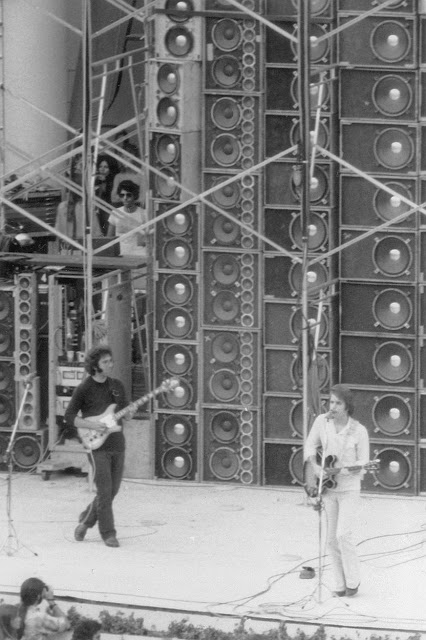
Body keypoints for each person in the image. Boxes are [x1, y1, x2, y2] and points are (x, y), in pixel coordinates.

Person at [64, 345, 134, 548]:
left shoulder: (117, 386)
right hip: (97, 446)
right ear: (95, 366)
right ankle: (108, 533)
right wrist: (91, 424)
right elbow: (69, 417)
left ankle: (86, 520)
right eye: (105, 362)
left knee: (113, 490)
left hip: (117, 443)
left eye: (110, 360)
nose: (110, 364)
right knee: (104, 491)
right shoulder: (84, 388)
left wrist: (129, 413)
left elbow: (124, 412)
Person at [304, 384, 370, 597]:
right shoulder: (321, 422)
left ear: (347, 406)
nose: (332, 406)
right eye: (331, 402)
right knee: (331, 539)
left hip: (350, 488)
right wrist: (315, 467)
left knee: (344, 534)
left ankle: (354, 581)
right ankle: (340, 585)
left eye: (337, 403)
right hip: (329, 488)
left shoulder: (359, 431)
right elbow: (309, 446)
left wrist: (349, 470)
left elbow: (364, 462)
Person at [106, 180, 148, 257]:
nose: (125, 198)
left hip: (138, 254)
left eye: (128, 195)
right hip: (119, 254)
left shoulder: (144, 214)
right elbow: (109, 238)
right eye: (122, 195)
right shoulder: (115, 213)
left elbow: (146, 240)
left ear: (134, 195)